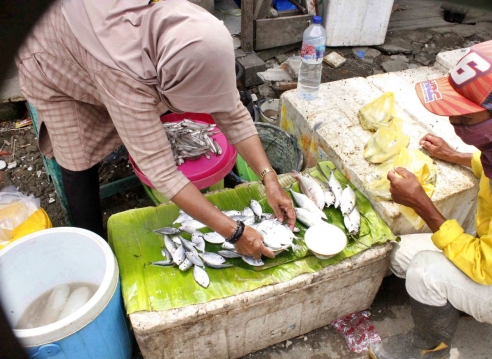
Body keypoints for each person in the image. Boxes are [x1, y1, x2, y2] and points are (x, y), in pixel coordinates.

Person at [15, 0, 295, 260]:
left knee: (137, 118)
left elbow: (230, 111)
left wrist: (269, 178)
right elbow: (160, 169)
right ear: (164, 81)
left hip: (106, 47)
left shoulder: (186, 31)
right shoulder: (127, 81)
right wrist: (234, 232)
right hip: (51, 52)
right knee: (76, 155)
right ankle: (92, 248)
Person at [369, 38, 492, 358]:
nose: (453, 121)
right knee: (399, 252)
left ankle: (430, 349)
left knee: (424, 272)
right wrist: (457, 155)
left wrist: (422, 204)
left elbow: (485, 265)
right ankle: (462, 301)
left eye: (465, 117)